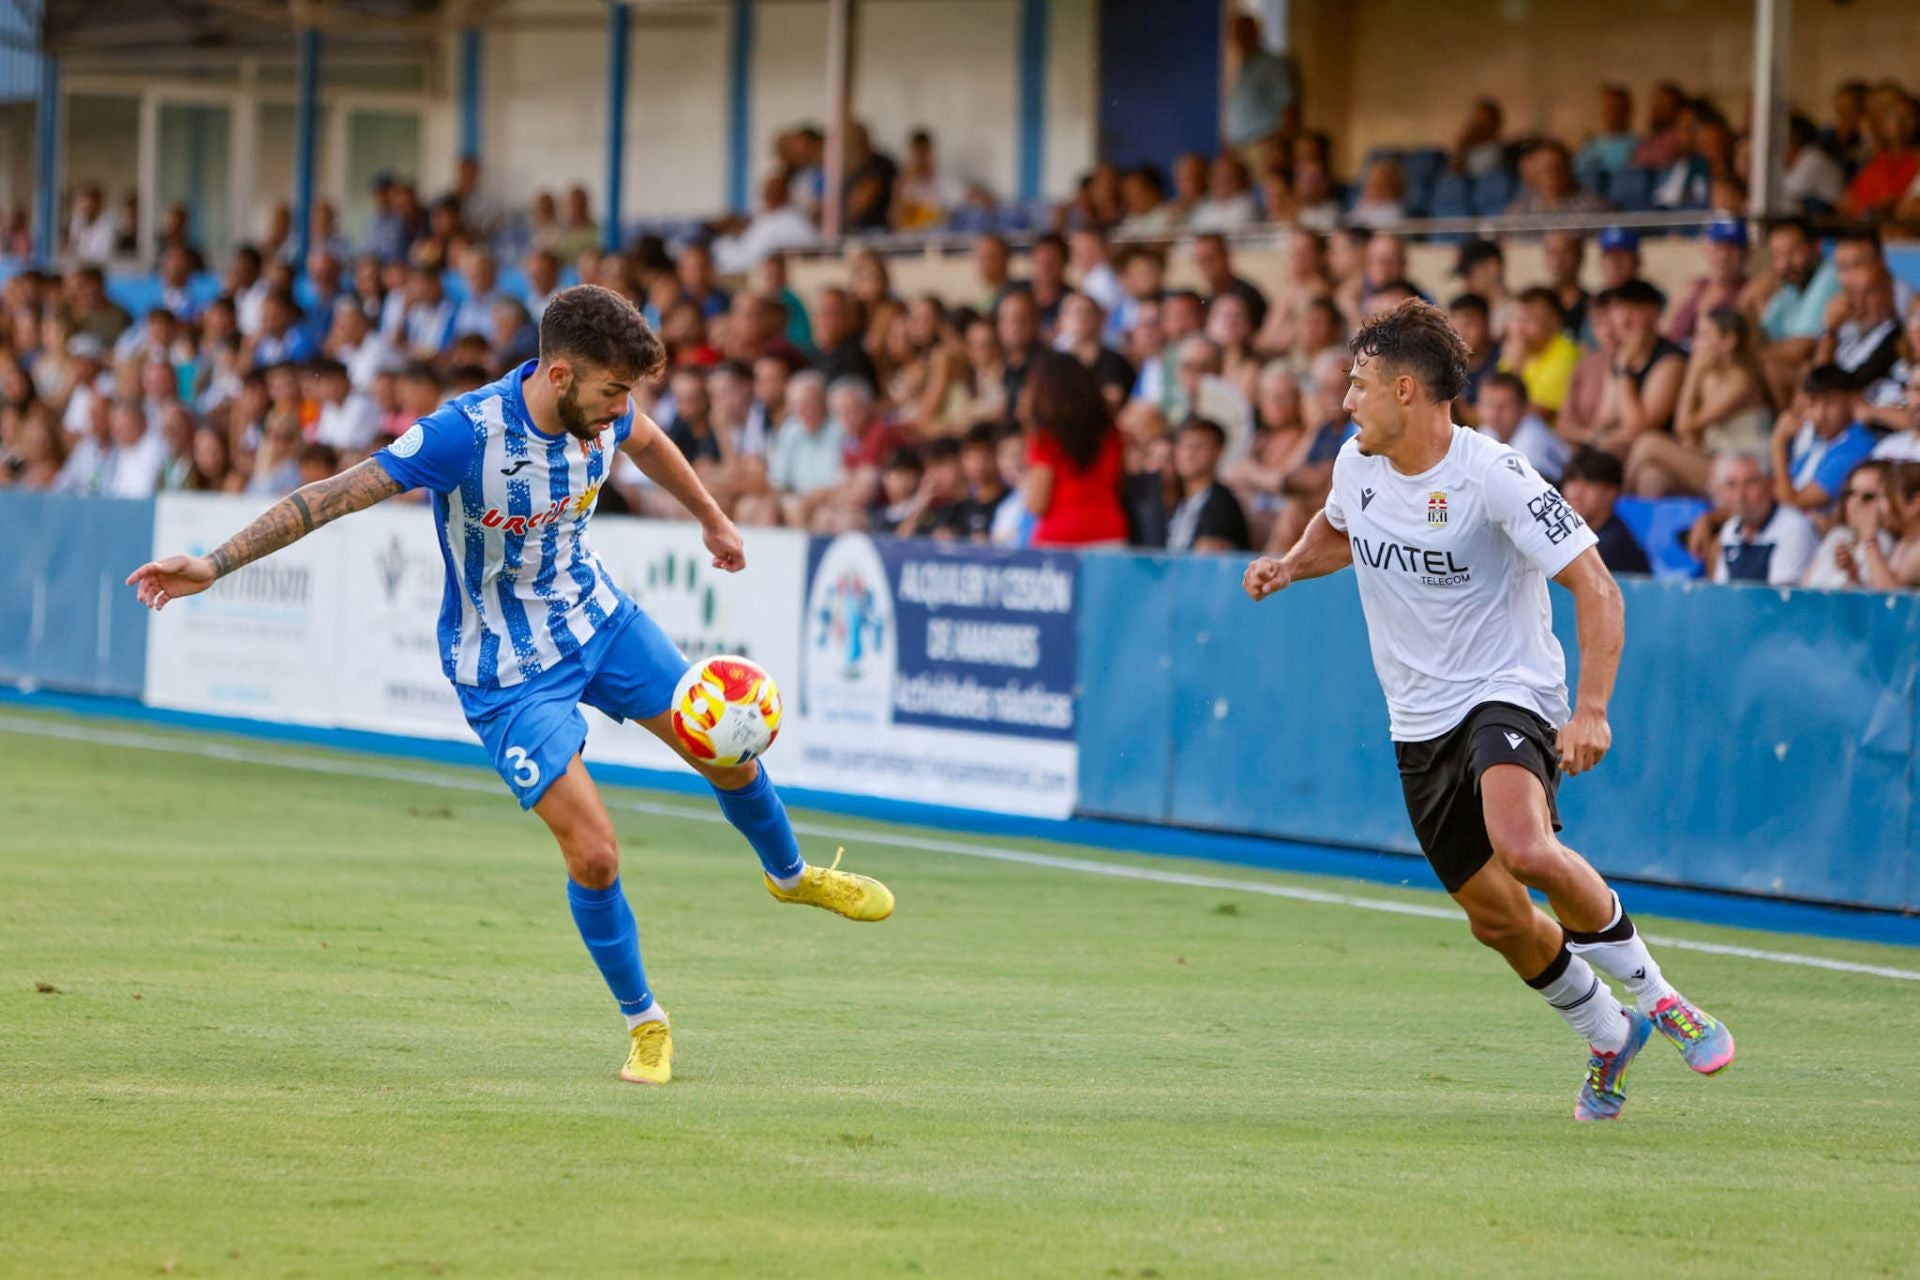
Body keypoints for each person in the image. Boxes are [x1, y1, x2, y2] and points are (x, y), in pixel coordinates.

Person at [126, 285, 894, 1088]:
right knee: (595, 855)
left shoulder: (606, 406)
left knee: (723, 744)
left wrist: (710, 515)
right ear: (558, 374)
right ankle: (646, 1023)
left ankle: (790, 875)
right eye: (610, 393)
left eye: (628, 393)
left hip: (600, 621)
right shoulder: (464, 434)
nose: (620, 410)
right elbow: (329, 497)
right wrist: (212, 563)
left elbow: (647, 439)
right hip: (504, 670)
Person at [1242, 298, 1733, 1122]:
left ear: (1405, 390)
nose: (1345, 401)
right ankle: (1608, 1033)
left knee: (1524, 848)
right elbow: (1341, 531)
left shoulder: (1494, 475)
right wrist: (1290, 565)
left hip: (1505, 689)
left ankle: (1661, 997)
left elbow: (1595, 584)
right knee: (1497, 918)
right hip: (1415, 718)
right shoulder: (1355, 464)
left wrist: (1592, 710)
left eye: (1357, 384)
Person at [1022, 350, 1127, 548]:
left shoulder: (1045, 439)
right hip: (1109, 535)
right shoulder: (1111, 434)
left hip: (1058, 541)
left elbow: (1037, 503)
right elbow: (1118, 484)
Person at [1709, 453, 1817, 585]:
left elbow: (1781, 597)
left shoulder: (1793, 527)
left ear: (1770, 484)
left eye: (1750, 483)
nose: (1740, 495)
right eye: (1732, 485)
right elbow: (1724, 592)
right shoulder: (1730, 529)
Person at [1558, 448, 1650, 575]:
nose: (1576, 493)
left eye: (1589, 483)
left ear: (1611, 492)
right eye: (1572, 481)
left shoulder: (1615, 543)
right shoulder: (1566, 533)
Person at [1165, 418, 1251, 553]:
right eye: (1183, 445)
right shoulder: (1173, 498)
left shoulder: (1223, 505)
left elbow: (1208, 559)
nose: (1189, 453)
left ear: (1218, 451)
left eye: (1199, 446)